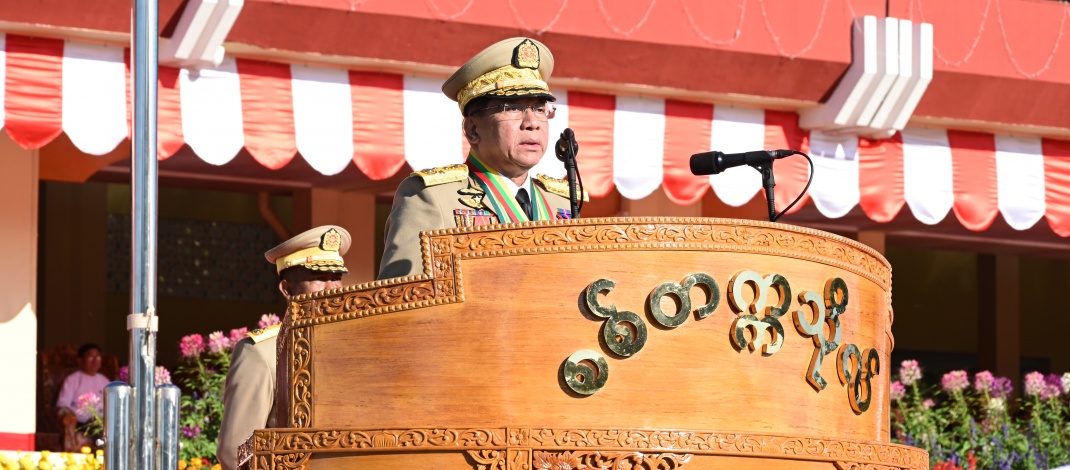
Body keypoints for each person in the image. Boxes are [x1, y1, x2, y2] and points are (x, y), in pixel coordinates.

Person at [378, 37, 586, 280]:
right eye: (513, 108)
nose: (532, 123)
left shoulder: (562, 202)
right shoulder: (430, 198)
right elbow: (405, 303)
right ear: (473, 129)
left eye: (540, 109)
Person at [217, 226, 350, 470]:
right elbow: (235, 453)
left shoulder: (353, 348)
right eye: (319, 278)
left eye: (336, 277)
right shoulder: (261, 353)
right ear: (287, 290)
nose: (333, 290)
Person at [56, 343, 110, 422]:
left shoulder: (104, 380)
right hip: (82, 422)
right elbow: (62, 405)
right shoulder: (72, 380)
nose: (95, 361)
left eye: (98, 357)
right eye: (91, 357)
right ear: (80, 360)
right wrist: (84, 416)